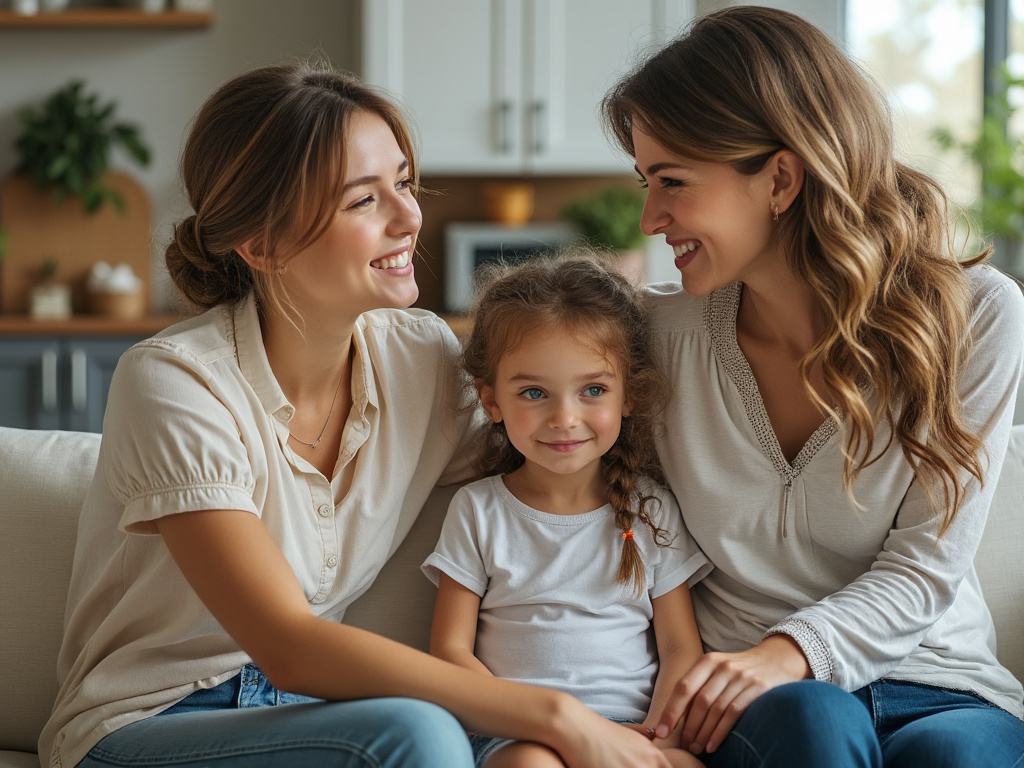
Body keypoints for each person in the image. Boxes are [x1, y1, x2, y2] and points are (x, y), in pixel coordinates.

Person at [39, 61, 678, 768]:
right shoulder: (174, 382)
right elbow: (286, 644)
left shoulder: (421, 359)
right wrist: (559, 717)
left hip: (311, 720)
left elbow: (555, 448)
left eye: (403, 182)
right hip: (150, 723)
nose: (410, 217)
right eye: (364, 201)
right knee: (418, 735)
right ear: (262, 244)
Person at [600, 6, 1024, 768]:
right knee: (815, 724)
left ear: (780, 178)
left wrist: (787, 650)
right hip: (763, 707)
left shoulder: (977, 317)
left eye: (671, 181)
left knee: (959, 759)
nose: (649, 217)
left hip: (941, 684)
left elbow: (926, 566)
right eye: (645, 181)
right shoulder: (656, 337)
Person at [423, 253, 711, 768]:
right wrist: (523, 721)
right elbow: (450, 653)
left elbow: (680, 650)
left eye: (593, 390)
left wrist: (661, 741)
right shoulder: (478, 509)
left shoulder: (651, 510)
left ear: (629, 395)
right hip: (518, 736)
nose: (563, 417)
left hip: (632, 729)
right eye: (534, 392)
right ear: (491, 402)